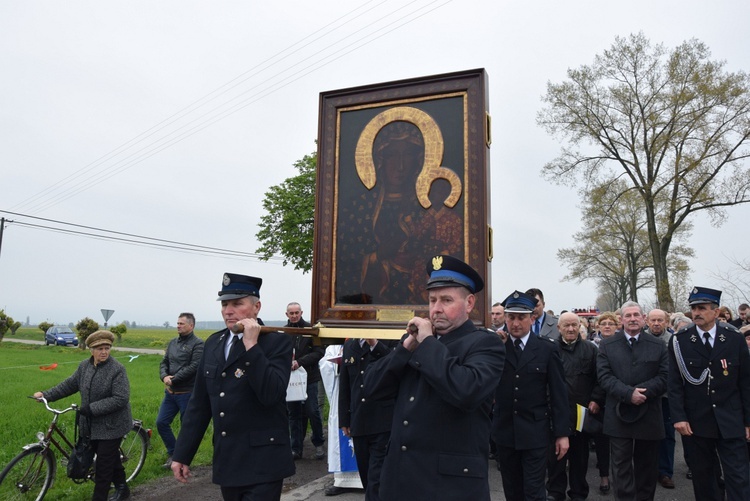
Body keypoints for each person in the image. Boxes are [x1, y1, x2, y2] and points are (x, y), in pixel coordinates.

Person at [363, 255, 505, 500]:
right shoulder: (414, 343)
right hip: (401, 480)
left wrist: (427, 342)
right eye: (432, 300)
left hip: (450, 485)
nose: (436, 308)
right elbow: (371, 390)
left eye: (446, 300)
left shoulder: (485, 343)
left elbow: (466, 391)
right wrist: (404, 348)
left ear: (469, 303)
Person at [171, 273, 295, 501]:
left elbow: (272, 394)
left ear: (256, 307)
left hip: (263, 461)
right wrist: (182, 454)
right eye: (225, 304)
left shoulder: (278, 342)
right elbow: (199, 404)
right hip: (228, 459)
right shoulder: (214, 343)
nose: (228, 310)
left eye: (237, 304)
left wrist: (251, 345)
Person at [668, 286, 750, 500]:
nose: (696, 313)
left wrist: (748, 421)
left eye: (702, 308)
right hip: (697, 421)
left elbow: (745, 382)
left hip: (731, 419)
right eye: (694, 308)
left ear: (715, 311)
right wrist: (679, 417)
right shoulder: (680, 340)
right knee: (704, 478)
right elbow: (674, 382)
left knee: (739, 477)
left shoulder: (733, 338)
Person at [34, 330, 133, 501]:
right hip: (90, 425)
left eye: (107, 348)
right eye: (99, 348)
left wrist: (92, 408)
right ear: (91, 350)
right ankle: (123, 489)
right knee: (110, 459)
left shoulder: (117, 369)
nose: (104, 352)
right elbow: (69, 385)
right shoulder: (84, 367)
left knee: (102, 467)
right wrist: (46, 395)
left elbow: (121, 398)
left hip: (112, 425)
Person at [493, 290, 569, 501]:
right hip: (505, 431)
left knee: (534, 491)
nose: (516, 323)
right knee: (512, 489)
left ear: (532, 318)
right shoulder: (497, 347)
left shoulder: (546, 349)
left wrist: (562, 434)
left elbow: (559, 394)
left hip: (535, 432)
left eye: (521, 317)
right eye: (511, 317)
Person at [597, 300, 668, 501]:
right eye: (628, 316)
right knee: (621, 467)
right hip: (619, 414)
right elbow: (604, 376)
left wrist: (642, 393)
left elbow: (665, 376)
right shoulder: (607, 345)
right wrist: (629, 394)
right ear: (621, 320)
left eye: (636, 315)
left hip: (649, 414)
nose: (632, 319)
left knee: (647, 467)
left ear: (643, 318)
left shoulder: (658, 345)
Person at [547, 312, 602, 501]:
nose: (570, 329)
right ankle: (555, 492)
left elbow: (599, 379)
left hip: (581, 412)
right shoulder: (549, 349)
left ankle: (578, 493)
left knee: (580, 457)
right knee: (556, 457)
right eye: (566, 325)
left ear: (580, 326)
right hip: (556, 411)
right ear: (558, 328)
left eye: (574, 325)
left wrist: (595, 399)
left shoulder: (591, 350)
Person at [338, 338, 395, 499]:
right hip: (359, 420)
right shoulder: (350, 345)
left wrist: (374, 344)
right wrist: (344, 419)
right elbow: (345, 383)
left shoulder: (388, 340)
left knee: (377, 478)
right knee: (366, 475)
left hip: (383, 421)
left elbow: (396, 365)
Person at [157, 312, 204, 469]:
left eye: (182, 324)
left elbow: (194, 367)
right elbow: (164, 362)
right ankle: (174, 452)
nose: (178, 326)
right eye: (177, 323)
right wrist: (164, 376)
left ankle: (182, 459)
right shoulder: (172, 343)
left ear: (191, 325)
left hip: (187, 393)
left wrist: (174, 378)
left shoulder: (198, 344)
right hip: (171, 393)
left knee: (186, 427)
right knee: (161, 422)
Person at [284, 302, 326, 460]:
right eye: (291, 313)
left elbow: (319, 352)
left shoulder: (310, 330)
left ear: (301, 313)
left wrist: (300, 362)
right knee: (293, 414)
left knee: (312, 411)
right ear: (286, 314)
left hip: (310, 378)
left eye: (297, 312)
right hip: (291, 379)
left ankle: (318, 443)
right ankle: (296, 448)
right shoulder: (284, 331)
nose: (294, 316)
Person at [646, 308, 676, 489]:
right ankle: (647, 469)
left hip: (666, 396)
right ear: (647, 321)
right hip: (646, 394)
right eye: (653, 320)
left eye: (660, 320)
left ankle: (665, 472)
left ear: (666, 322)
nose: (656, 324)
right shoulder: (641, 338)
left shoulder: (674, 341)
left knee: (667, 434)